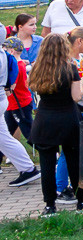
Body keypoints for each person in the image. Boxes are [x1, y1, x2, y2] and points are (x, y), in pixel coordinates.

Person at [29, 34, 83, 216]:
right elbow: (76, 97)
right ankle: (82, 200)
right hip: (68, 118)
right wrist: (80, 83)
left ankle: (50, 205)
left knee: (47, 165)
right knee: (74, 162)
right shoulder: (69, 68)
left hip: (45, 119)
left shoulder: (37, 69)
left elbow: (34, 89)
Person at [0, 38, 39, 187]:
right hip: (11, 104)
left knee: (27, 131)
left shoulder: (12, 63)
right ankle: (27, 168)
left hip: (18, 104)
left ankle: (46, 152)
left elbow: (14, 83)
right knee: (5, 136)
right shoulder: (13, 61)